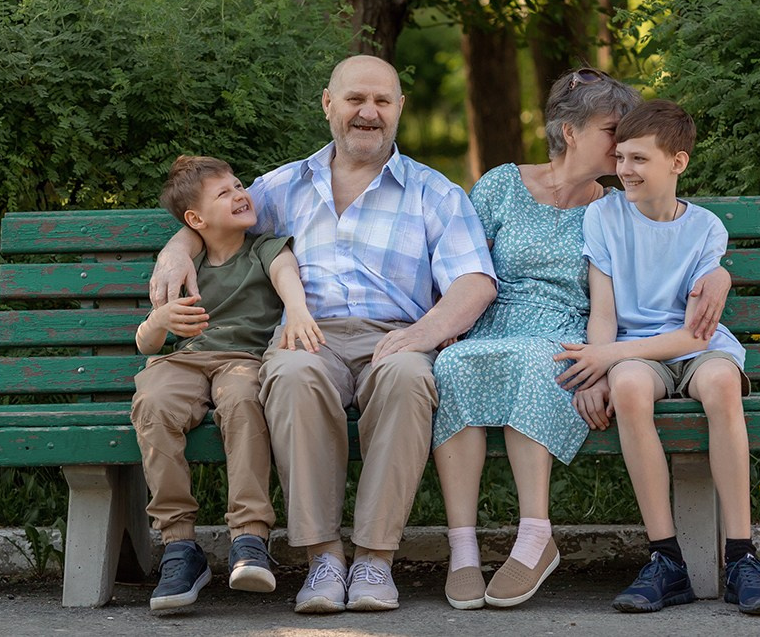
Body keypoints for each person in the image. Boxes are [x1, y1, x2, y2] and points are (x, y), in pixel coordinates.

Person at [148, 55, 497, 614]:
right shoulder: (283, 186)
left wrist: (427, 331)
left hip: (397, 335)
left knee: (409, 379)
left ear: (400, 108)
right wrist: (177, 248)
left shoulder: (434, 192)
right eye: (355, 99)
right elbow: (215, 219)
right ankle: (324, 559)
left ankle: (375, 560)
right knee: (290, 374)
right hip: (310, 334)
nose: (368, 112)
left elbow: (474, 281)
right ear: (329, 104)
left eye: (382, 101)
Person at [431, 70, 732, 610]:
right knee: (453, 366)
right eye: (613, 131)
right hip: (494, 322)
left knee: (535, 362)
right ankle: (463, 549)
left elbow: (668, 248)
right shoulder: (501, 185)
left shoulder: (612, 207)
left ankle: (534, 537)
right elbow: (464, 267)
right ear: (569, 132)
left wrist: (717, 273)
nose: (622, 145)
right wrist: (447, 327)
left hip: (568, 332)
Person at [556, 99, 760, 616]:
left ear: (677, 162)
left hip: (694, 348)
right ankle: (666, 559)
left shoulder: (705, 229)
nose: (624, 169)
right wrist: (599, 368)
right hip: (636, 352)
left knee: (722, 384)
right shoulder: (603, 216)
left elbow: (691, 337)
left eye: (639, 159)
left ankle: (742, 557)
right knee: (629, 387)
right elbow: (604, 311)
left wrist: (610, 354)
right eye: (621, 157)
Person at [131, 155, 323, 612]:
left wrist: (297, 309)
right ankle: (179, 545)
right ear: (196, 220)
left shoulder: (265, 249)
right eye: (224, 193)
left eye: (239, 185)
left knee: (242, 401)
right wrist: (159, 320)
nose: (240, 194)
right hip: (186, 361)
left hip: (244, 360)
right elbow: (146, 344)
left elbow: (286, 274)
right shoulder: (187, 266)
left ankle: (250, 537)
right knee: (152, 402)